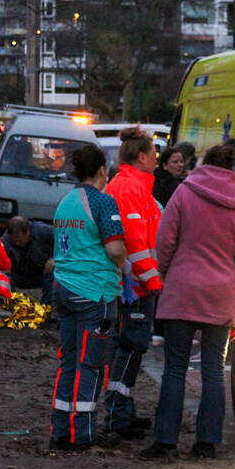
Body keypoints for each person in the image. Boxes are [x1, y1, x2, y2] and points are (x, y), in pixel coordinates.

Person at [140, 144, 235, 460]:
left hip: (183, 289)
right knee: (213, 369)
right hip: (222, 294)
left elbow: (165, 241)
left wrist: (165, 273)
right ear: (232, 168)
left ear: (204, 163)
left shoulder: (184, 192)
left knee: (175, 368)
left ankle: (165, 442)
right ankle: (207, 442)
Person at [49, 144, 127, 451]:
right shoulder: (103, 202)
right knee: (92, 364)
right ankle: (83, 433)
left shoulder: (65, 202)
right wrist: (124, 262)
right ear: (102, 171)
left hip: (64, 290)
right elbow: (115, 248)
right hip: (97, 295)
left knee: (69, 361)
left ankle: (60, 430)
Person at [103, 126, 163, 439]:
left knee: (125, 349)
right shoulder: (131, 188)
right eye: (154, 154)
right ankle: (118, 415)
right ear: (142, 157)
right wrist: (154, 282)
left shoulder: (126, 184)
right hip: (134, 286)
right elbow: (136, 243)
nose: (157, 160)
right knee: (128, 349)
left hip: (130, 283)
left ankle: (122, 410)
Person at [1, 215, 55, 305]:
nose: (17, 243)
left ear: (28, 232)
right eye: (14, 241)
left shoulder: (42, 230)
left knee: (54, 272)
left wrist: (55, 260)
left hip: (42, 274)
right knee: (1, 275)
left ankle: (46, 307)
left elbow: (66, 241)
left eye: (20, 240)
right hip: (19, 275)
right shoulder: (5, 241)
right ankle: (15, 303)